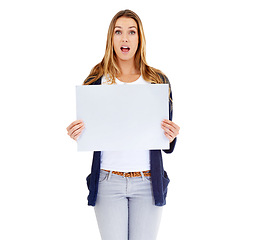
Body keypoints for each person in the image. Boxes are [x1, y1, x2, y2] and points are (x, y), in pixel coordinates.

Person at [66, 9, 180, 240]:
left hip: (148, 182)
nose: (125, 38)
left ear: (140, 38)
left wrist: (172, 134)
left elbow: (166, 142)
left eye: (131, 32)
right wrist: (78, 132)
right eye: (118, 32)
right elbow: (90, 129)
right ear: (111, 38)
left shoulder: (157, 80)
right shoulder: (96, 80)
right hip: (107, 181)